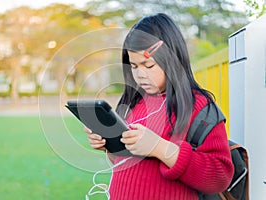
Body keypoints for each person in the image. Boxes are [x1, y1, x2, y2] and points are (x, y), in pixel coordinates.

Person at [84, 13, 234, 200]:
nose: (140, 75)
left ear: (172, 59)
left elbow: (219, 177)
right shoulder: (133, 102)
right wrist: (109, 146)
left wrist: (159, 148)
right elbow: (123, 162)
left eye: (149, 65)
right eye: (134, 66)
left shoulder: (199, 107)